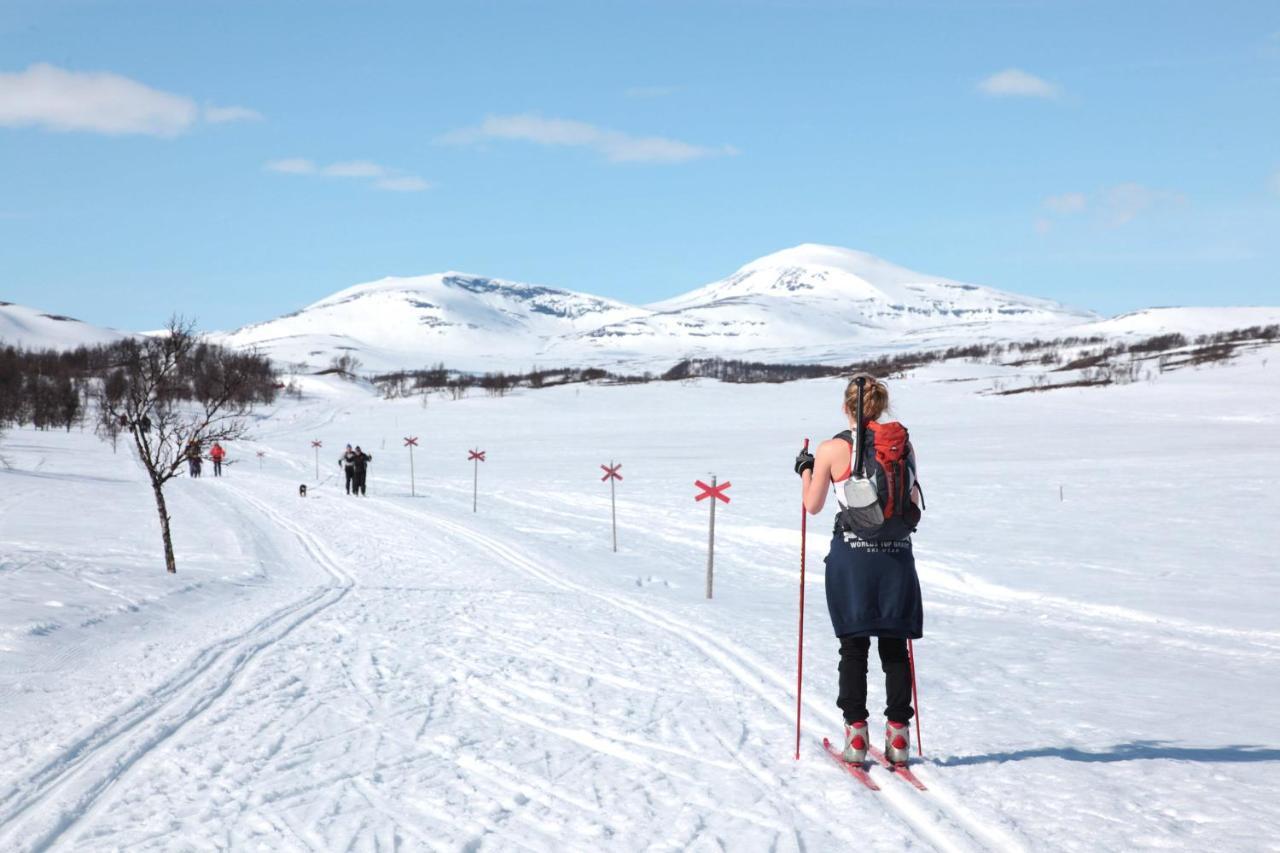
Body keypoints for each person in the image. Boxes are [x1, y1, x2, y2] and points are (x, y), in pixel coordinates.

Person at [795, 374, 924, 767]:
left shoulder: (833, 448)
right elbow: (913, 496)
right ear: (880, 407)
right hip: (896, 556)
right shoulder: (902, 445)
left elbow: (812, 505)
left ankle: (855, 734)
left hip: (853, 555)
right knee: (895, 647)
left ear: (846, 407)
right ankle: (898, 737)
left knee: (853, 646)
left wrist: (805, 468)